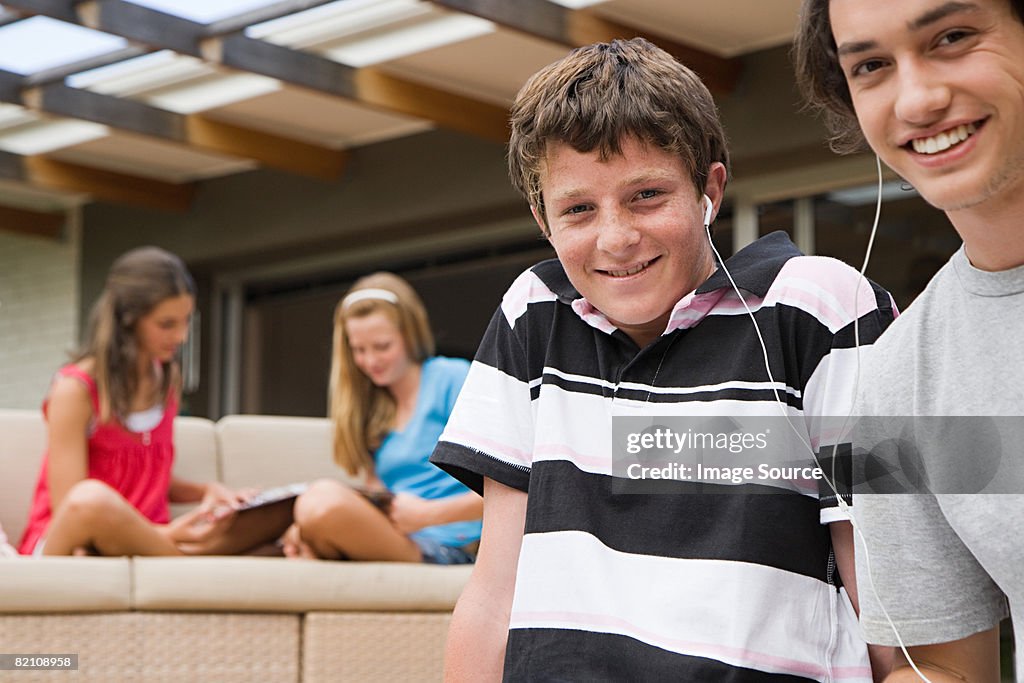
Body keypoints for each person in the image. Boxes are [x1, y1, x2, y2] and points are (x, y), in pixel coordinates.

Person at [430, 37, 896, 681]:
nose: (616, 238)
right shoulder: (533, 314)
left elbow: (889, 597)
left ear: (710, 188)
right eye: (578, 209)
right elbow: (493, 591)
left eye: (647, 194)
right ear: (542, 217)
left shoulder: (815, 307)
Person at [794, 0, 1024, 680]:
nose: (918, 99)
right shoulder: (894, 376)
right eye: (870, 66)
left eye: (952, 37)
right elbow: (942, 669)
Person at [18, 246, 289, 557]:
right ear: (128, 321)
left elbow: (148, 473)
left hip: (151, 542)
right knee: (91, 500)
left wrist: (209, 492)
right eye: (166, 324)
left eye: (186, 321)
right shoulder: (75, 389)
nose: (182, 336)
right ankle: (192, 562)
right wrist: (165, 533)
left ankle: (195, 556)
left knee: (272, 522)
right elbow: (72, 504)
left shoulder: (166, 380)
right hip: (73, 539)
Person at [282, 272, 482, 564]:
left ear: (409, 335)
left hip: (454, 545)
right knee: (303, 522)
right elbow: (377, 489)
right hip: (399, 536)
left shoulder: (451, 379)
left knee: (321, 500)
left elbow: (513, 486)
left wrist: (426, 516)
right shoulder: (375, 407)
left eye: (382, 346)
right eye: (359, 350)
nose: (371, 361)